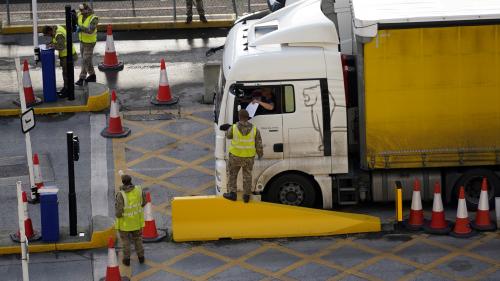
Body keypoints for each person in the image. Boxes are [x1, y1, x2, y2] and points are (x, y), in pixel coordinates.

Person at [223, 109, 263, 203]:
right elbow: (259, 144)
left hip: (235, 157)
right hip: (249, 157)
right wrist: (260, 154)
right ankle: (246, 196)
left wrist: (228, 128)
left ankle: (232, 194)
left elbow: (228, 136)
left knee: (232, 175)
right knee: (247, 176)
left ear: (239, 117)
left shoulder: (234, 128)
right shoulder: (255, 129)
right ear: (247, 118)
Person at [115, 173, 147, 266]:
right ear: (130, 180)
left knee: (126, 242)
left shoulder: (121, 194)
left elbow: (119, 212)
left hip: (125, 224)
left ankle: (126, 260)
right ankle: (141, 257)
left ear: (122, 182)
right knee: (138, 239)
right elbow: (144, 202)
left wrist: (117, 215)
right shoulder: (138, 189)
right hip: (136, 222)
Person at [43, 25, 78, 98]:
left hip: (67, 56)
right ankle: (65, 88)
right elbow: (56, 41)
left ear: (50, 31)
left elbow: (61, 46)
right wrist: (51, 43)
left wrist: (51, 46)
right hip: (66, 55)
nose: (49, 36)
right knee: (66, 73)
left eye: (47, 35)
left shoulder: (58, 34)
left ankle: (68, 91)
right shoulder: (56, 29)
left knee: (67, 74)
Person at [75, 3, 98, 86]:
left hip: (90, 43)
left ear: (87, 9)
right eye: (80, 10)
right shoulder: (80, 15)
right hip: (82, 41)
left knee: (85, 60)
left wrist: (80, 28)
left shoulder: (94, 18)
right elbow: (76, 23)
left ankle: (82, 78)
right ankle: (92, 75)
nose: (81, 12)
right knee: (87, 60)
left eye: (83, 10)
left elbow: (90, 30)